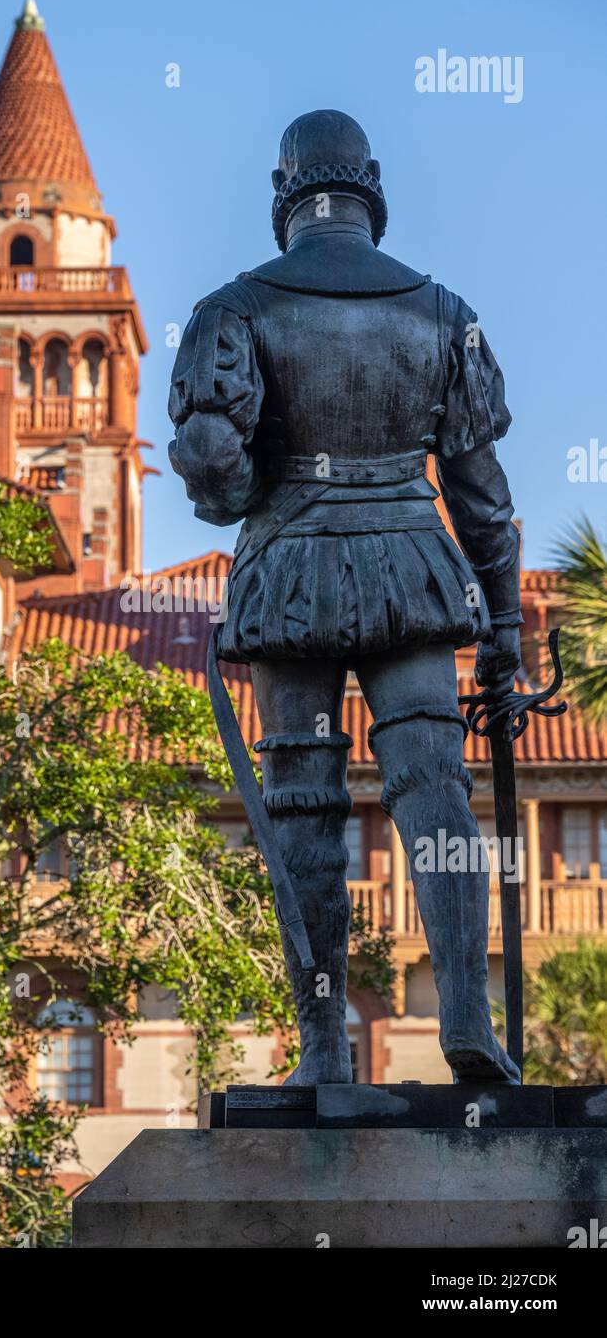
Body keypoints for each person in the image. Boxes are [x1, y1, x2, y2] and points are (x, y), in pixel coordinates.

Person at [168, 110, 522, 1085]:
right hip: (411, 565)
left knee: (304, 806)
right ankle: (465, 1016)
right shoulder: (441, 312)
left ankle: (323, 1047)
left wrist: (224, 487)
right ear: (370, 187)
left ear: (282, 197)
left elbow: (213, 470)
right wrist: (503, 629)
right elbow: (482, 501)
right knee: (431, 788)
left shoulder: (232, 309)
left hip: (289, 571)